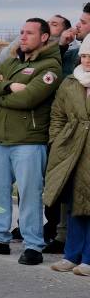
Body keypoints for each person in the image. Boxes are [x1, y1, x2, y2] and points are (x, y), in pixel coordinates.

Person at [0, 18, 63, 264]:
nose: (23, 37)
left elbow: (28, 99)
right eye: (22, 32)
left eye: (29, 33)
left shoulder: (50, 67)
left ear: (44, 37)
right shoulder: (12, 61)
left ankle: (33, 244)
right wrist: (10, 86)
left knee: (29, 194)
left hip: (29, 141)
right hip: (1, 138)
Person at [44, 42, 90, 274]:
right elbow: (57, 114)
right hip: (72, 149)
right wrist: (56, 141)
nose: (87, 60)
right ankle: (71, 255)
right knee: (74, 204)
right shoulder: (70, 83)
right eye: (84, 55)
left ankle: (88, 259)